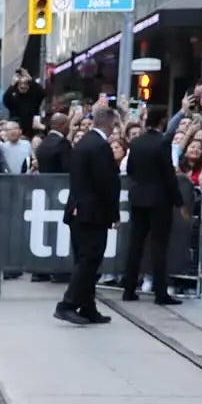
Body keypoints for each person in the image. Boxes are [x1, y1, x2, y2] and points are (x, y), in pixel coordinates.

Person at [55, 102, 121, 325]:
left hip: (79, 211)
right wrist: (114, 213)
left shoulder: (84, 143)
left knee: (85, 259)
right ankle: (68, 303)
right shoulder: (99, 147)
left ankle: (88, 306)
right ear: (111, 123)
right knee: (89, 260)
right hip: (93, 213)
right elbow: (106, 183)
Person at [121, 105, 184, 304]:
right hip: (159, 200)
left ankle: (128, 289)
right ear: (163, 120)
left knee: (135, 245)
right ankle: (160, 292)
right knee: (158, 247)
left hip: (138, 197)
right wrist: (178, 201)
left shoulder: (136, 142)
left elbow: (130, 168)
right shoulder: (163, 143)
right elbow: (169, 174)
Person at [2, 68, 44, 137]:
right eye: (20, 84)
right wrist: (12, 84)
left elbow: (42, 93)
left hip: (32, 132)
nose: (23, 86)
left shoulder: (34, 95)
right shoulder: (13, 97)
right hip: (17, 132)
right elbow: (5, 100)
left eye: (25, 84)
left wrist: (30, 79)